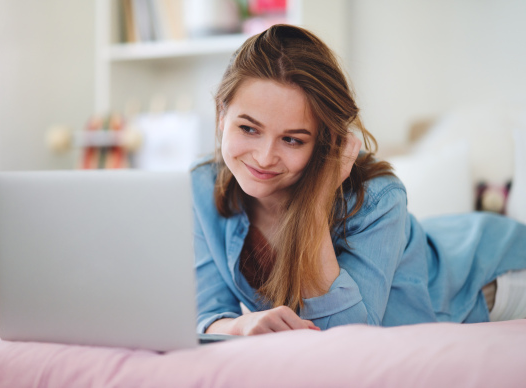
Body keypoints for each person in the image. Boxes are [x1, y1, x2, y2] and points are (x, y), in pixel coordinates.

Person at [191, 24, 526, 335]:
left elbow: (346, 336)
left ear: (326, 141)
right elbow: (207, 313)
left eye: (292, 139)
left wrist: (317, 203)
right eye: (248, 128)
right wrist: (239, 326)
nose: (264, 157)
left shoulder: (379, 198)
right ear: (222, 115)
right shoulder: (202, 187)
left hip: (490, 279)